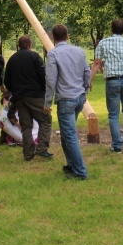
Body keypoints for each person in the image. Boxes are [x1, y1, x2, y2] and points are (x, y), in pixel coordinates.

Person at [44, 24, 90, 180]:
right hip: (78, 98)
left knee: (69, 135)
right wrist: (85, 92)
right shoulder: (79, 51)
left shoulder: (53, 54)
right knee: (66, 134)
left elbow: (50, 80)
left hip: (66, 99)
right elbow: (87, 72)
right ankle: (71, 165)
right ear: (67, 36)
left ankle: (80, 172)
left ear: (53, 37)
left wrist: (47, 102)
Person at [90, 19, 123, 153]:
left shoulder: (103, 43)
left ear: (111, 29)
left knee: (113, 114)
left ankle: (117, 145)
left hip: (112, 80)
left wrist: (89, 80)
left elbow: (96, 63)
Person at [4, 35, 53, 161]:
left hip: (19, 97)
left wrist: (15, 91)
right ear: (30, 45)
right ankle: (42, 149)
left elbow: (7, 81)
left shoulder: (12, 59)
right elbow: (43, 76)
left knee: (26, 126)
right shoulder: (35, 56)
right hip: (35, 95)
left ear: (19, 45)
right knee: (45, 120)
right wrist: (43, 91)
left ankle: (28, 154)